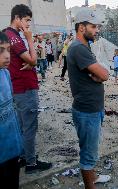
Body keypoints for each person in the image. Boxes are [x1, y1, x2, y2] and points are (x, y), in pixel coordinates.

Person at [4, 4, 52, 174]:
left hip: (17, 88)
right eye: (26, 20)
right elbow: (33, 60)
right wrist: (30, 39)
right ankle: (31, 163)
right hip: (24, 87)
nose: (28, 25)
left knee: (22, 126)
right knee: (30, 126)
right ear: (17, 18)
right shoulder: (14, 37)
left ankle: (24, 157)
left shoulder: (7, 34)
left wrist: (30, 61)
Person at [67, 9, 110, 188]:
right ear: (81, 27)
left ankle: (93, 177)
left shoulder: (84, 47)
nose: (97, 30)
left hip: (92, 109)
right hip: (87, 111)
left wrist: (99, 75)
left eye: (98, 26)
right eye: (93, 26)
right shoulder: (78, 48)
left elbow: (100, 74)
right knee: (88, 156)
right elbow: (105, 74)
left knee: (91, 151)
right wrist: (101, 75)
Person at [0, 32, 23, 189]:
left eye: (8, 49)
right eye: (1, 50)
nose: (7, 55)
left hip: (13, 149)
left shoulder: (6, 73)